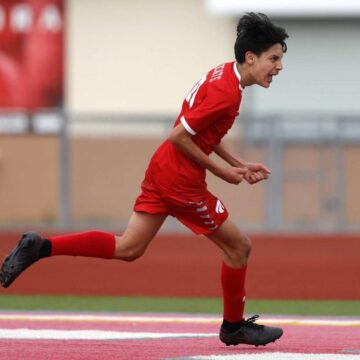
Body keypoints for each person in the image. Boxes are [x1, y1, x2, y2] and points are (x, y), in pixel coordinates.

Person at [0, 12, 288, 347]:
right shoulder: (229, 92)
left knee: (129, 247)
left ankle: (41, 247)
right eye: (274, 58)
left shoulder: (223, 73)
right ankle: (233, 326)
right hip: (181, 181)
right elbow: (180, 135)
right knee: (239, 247)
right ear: (251, 57)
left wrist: (239, 163)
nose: (279, 66)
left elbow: (200, 132)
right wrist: (224, 172)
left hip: (163, 169)